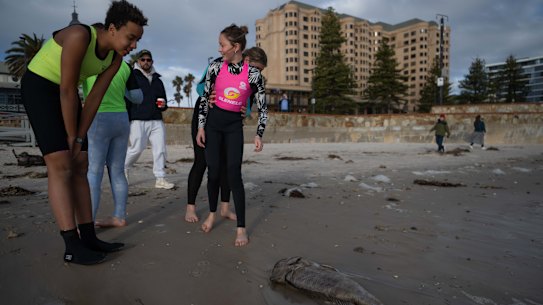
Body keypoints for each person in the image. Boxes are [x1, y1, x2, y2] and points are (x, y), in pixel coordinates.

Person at [20, 0, 147, 265]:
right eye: (131, 37)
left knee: (81, 162)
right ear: (112, 28)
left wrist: (80, 136)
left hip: (68, 96)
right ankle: (71, 245)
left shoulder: (115, 59)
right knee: (61, 164)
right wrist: (70, 136)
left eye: (137, 40)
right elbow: (67, 89)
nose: (133, 45)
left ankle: (88, 236)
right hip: (41, 88)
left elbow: (93, 99)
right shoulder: (80, 35)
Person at [196, 25, 268, 246]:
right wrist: (200, 127)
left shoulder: (254, 74)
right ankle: (211, 213)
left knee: (234, 175)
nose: (219, 49)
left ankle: (241, 228)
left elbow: (262, 108)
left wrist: (259, 134)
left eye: (222, 45)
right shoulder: (215, 67)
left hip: (234, 128)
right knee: (214, 172)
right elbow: (204, 98)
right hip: (213, 126)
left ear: (235, 47)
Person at [82, 29, 143, 228]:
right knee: (117, 171)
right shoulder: (124, 66)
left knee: (94, 172)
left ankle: (87, 222)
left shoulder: (89, 63)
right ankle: (118, 216)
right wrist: (121, 89)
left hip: (97, 117)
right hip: (121, 119)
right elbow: (138, 98)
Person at [124, 49, 175, 189]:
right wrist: (127, 118)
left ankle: (160, 179)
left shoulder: (158, 79)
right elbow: (127, 99)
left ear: (152, 61)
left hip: (156, 120)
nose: (146, 62)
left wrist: (163, 105)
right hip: (138, 119)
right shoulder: (131, 76)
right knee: (136, 148)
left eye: (148, 60)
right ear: (138, 61)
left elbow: (163, 100)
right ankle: (123, 169)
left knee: (160, 149)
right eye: (143, 59)